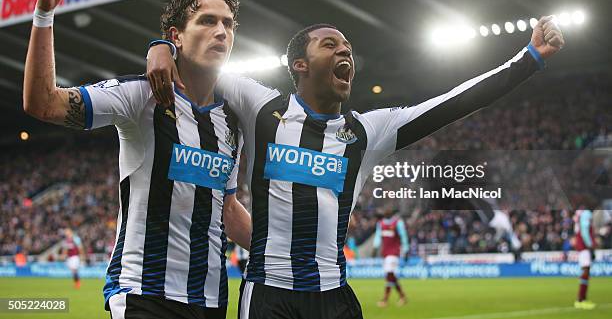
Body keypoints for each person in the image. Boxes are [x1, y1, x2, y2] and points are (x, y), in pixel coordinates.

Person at [147, 16, 565, 318]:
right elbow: (198, 57)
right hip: (269, 295)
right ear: (300, 65)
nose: (344, 50)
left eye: (346, 47)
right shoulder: (260, 107)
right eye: (330, 45)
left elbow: (454, 103)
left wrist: (529, 59)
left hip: (335, 297)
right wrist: (161, 46)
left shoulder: (368, 132)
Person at [23, 0, 251, 319]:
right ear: (176, 36)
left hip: (210, 301)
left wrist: (288, 253)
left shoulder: (233, 120)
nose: (220, 31)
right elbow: (43, 103)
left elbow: (226, 207)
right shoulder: (141, 97)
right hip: (143, 294)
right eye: (207, 21)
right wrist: (43, 15)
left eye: (228, 23)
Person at [372, 208, 408, 307]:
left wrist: (406, 250)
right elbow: (378, 237)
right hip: (385, 253)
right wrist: (375, 248)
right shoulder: (381, 224)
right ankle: (402, 297)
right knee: (391, 276)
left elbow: (403, 236)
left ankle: (385, 300)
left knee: (389, 275)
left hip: (394, 253)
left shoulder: (397, 223)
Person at [573, 208, 596, 310]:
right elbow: (584, 231)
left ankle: (583, 299)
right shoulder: (586, 213)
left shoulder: (580, 214)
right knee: (585, 271)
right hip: (584, 248)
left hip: (582, 247)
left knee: (585, 272)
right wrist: (590, 246)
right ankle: (580, 300)